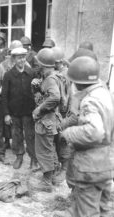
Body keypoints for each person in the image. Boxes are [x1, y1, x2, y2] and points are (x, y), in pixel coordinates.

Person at [61, 56, 114, 217]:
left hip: (89, 166)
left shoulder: (90, 100)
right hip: (105, 163)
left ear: (79, 83)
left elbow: (95, 131)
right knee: (103, 212)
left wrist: (68, 133)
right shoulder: (104, 93)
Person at [2, 47, 37, 169]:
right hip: (14, 112)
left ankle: (33, 159)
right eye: (18, 58)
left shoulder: (31, 73)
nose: (21, 60)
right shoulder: (8, 75)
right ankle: (19, 156)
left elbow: (36, 93)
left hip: (29, 112)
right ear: (13, 59)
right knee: (16, 135)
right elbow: (4, 96)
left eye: (23, 57)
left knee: (30, 135)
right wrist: (6, 114)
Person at [31, 48, 60, 192]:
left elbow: (55, 97)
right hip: (49, 120)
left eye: (38, 64)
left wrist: (39, 109)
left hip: (46, 120)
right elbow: (46, 95)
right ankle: (52, 177)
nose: (37, 66)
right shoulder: (51, 77)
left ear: (43, 65)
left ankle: (47, 182)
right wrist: (36, 88)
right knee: (50, 148)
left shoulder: (50, 79)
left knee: (43, 150)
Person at [50, 46, 71, 185]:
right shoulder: (58, 72)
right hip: (58, 112)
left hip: (64, 113)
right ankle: (58, 165)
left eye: (55, 62)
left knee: (63, 141)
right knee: (56, 139)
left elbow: (65, 97)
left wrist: (63, 114)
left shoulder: (65, 75)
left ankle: (64, 168)